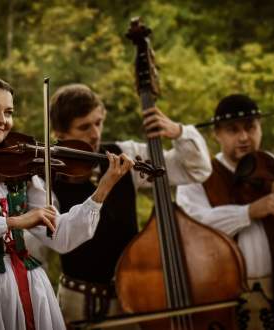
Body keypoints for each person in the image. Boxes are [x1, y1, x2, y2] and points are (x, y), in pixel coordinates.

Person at [0, 76, 134, 330]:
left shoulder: (22, 173)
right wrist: (14, 222)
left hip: (28, 286)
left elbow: (62, 237)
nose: (3, 119)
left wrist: (104, 188)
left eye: (8, 112)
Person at [41, 83, 212, 328]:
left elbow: (194, 170)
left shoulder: (123, 155)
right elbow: (47, 242)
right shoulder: (46, 176)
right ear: (60, 132)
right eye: (84, 127)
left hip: (132, 296)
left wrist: (179, 132)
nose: (95, 134)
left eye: (98, 122)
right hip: (78, 302)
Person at [176, 94, 274, 330]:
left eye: (251, 127)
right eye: (233, 130)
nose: (244, 137)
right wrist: (249, 211)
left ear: (260, 128)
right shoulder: (197, 176)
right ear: (216, 134)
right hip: (220, 299)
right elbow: (194, 227)